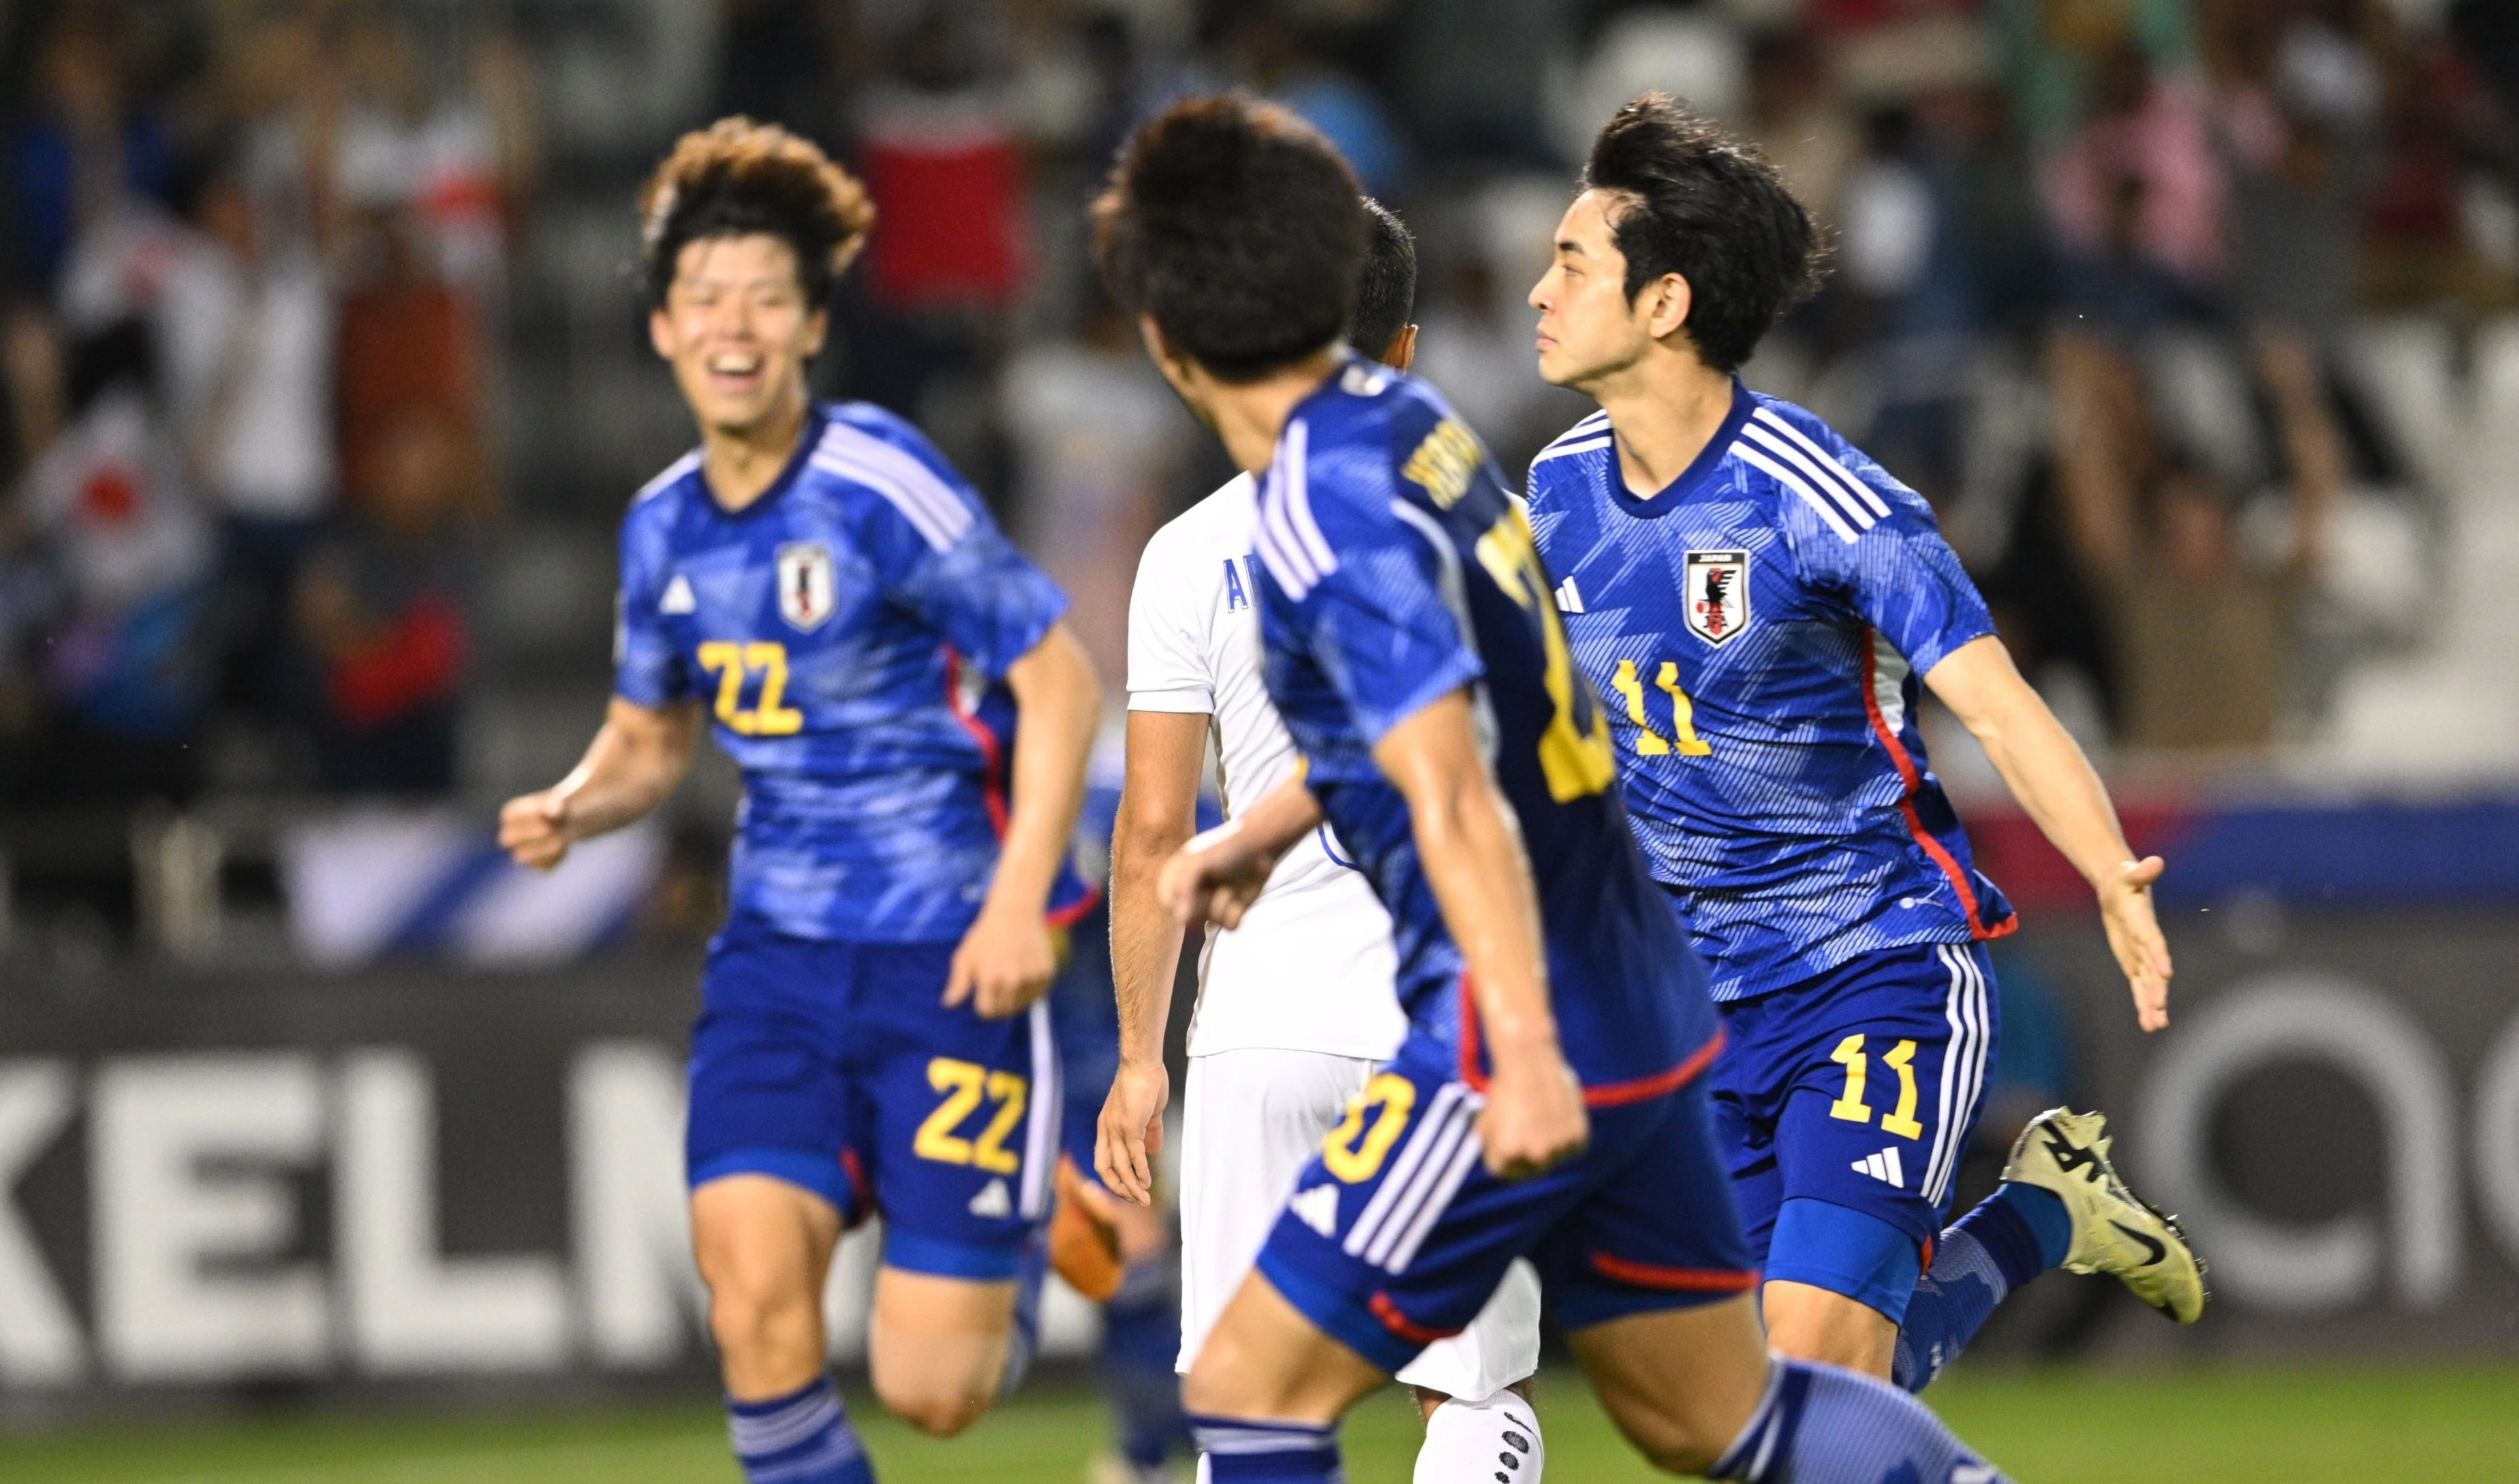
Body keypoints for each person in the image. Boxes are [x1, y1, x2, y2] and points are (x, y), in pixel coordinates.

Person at [1095, 93, 2011, 1484]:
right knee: (1714, 1410)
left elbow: (1460, 787)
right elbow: (1482, 730)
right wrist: (1276, 824)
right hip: (1623, 992)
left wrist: (1517, 1042)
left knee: (1262, 1387)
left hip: (1505, 1018)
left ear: (1182, 345)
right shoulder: (1445, 458)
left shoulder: (1323, 506)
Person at [1519, 94, 2204, 1397]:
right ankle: (2044, 1213)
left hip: (1868, 967)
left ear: (1664, 304)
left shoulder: (1824, 497)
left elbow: (1997, 699)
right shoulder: (1552, 490)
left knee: (1816, 1371)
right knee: (1768, 1415)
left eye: (1571, 263)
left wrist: (2111, 868)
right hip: (1688, 1003)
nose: (1540, 291)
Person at [496, 119, 1101, 1483]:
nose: (736, 323)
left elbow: (1058, 685)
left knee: (933, 1389)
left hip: (953, 955)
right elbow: (651, 745)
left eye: (767, 298)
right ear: (662, 329)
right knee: (753, 1304)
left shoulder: (878, 478)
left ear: (811, 326)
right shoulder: (660, 526)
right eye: (706, 298)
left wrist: (1020, 909)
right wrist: (578, 804)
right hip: (777, 960)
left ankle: (1003, 1244)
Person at [1097, 198, 1548, 1484]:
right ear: (1401, 351)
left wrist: (1141, 1055)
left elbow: (1151, 833)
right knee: (1470, 1395)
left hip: (1261, 1028)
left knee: (1254, 1414)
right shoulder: (1484, 524)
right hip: (1446, 1015)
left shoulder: (1188, 555)